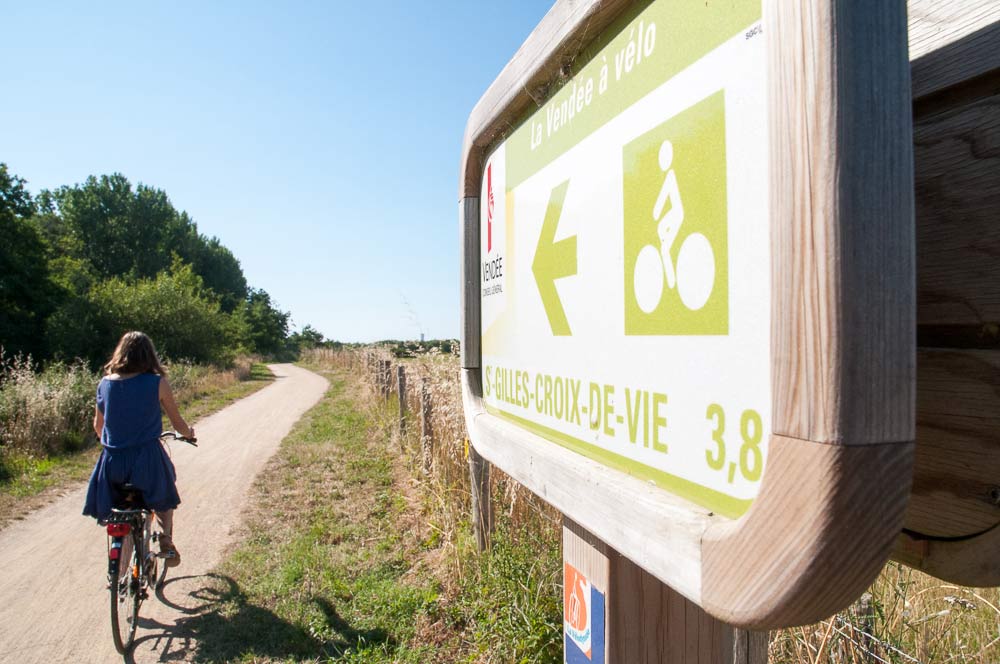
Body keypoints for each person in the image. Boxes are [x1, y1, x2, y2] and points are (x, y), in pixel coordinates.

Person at [82, 331, 195, 566]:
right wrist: (189, 433)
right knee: (164, 493)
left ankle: (119, 563)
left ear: (120, 353)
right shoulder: (157, 383)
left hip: (113, 462)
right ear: (149, 355)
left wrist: (115, 443)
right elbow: (177, 423)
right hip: (147, 459)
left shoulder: (104, 383)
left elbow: (97, 425)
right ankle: (166, 540)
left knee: (120, 507)